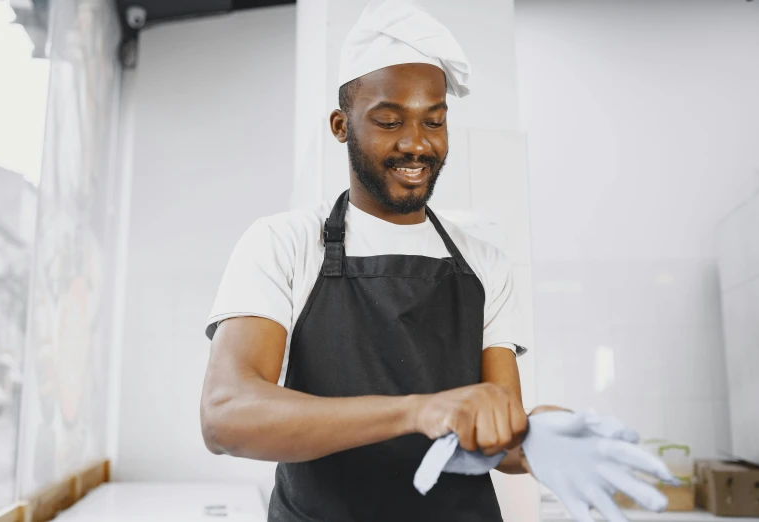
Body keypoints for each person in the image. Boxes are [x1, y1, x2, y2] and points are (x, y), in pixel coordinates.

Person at [200, 2, 673, 521]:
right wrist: (416, 411)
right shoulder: (284, 242)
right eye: (388, 120)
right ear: (341, 125)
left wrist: (536, 439)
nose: (416, 143)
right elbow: (226, 415)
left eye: (434, 120)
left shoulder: (483, 263)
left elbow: (497, 436)